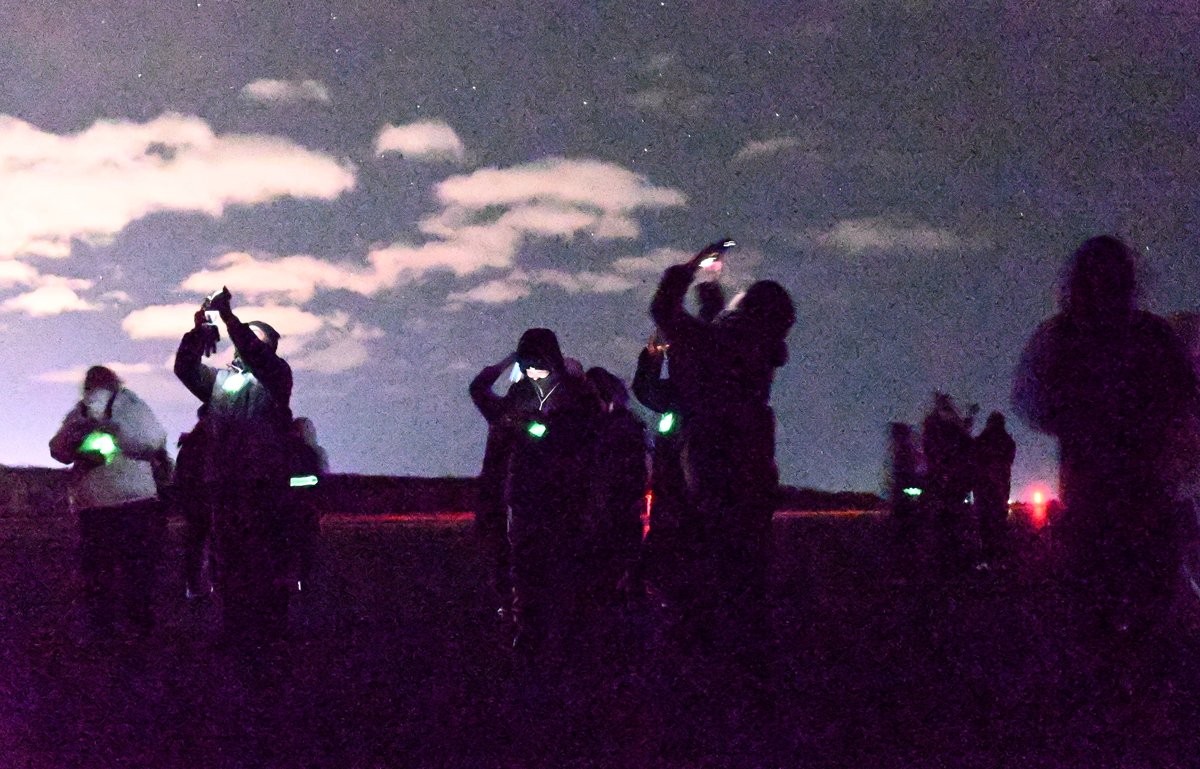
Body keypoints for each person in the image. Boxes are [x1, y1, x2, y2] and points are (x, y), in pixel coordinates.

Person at [1013, 235, 1197, 684]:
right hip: (1141, 483)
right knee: (1142, 585)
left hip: (1094, 484)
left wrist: (1080, 418)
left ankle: (1105, 677)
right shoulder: (1152, 335)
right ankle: (1134, 676)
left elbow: (1031, 402)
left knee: (1098, 589)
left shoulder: (1062, 336)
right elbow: (1186, 397)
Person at [650, 242, 794, 665]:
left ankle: (707, 661)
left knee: (710, 567)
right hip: (754, 469)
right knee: (747, 569)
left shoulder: (719, 343)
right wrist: (712, 296)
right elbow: (720, 337)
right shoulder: (758, 351)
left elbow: (664, 310)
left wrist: (694, 265)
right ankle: (751, 662)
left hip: (713, 468)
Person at [174, 287, 296, 648]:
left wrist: (228, 318)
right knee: (229, 558)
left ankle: (272, 630)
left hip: (263, 481)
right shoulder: (220, 382)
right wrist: (198, 332)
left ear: (269, 346)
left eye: (253, 336)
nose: (241, 342)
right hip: (224, 481)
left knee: (265, 556)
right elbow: (184, 368)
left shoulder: (277, 375)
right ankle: (236, 629)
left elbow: (255, 353)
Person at [472, 329, 598, 656]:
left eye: (535, 361)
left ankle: (564, 639)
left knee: (561, 569)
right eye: (526, 362)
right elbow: (479, 391)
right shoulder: (521, 393)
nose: (531, 368)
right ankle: (529, 633)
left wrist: (537, 429)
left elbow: (584, 438)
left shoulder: (576, 395)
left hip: (563, 499)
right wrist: (509, 361)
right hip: (524, 499)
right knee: (526, 569)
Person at [50, 365, 168, 639]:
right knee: (137, 568)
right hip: (135, 500)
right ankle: (139, 627)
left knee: (98, 571)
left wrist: (81, 443)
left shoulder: (79, 412)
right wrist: (115, 432)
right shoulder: (131, 404)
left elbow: (57, 449)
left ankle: (102, 628)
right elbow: (152, 440)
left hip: (94, 504)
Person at [583, 367, 648, 605]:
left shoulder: (613, 429)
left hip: (612, 513)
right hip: (617, 513)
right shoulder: (623, 425)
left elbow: (620, 474)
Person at [469, 354, 521, 622]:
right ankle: (510, 603)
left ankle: (508, 603)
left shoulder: (499, 413)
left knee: (502, 551)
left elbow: (478, 387)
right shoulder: (516, 415)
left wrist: (506, 362)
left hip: (500, 494)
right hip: (507, 495)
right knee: (505, 551)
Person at [175, 406, 214, 600]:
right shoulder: (208, 442)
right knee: (205, 543)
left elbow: (181, 475)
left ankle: (196, 586)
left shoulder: (191, 443)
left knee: (197, 544)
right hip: (205, 499)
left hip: (197, 500)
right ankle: (201, 585)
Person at [971, 412, 1016, 567]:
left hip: (984, 489)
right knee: (998, 523)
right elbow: (1008, 461)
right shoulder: (1007, 442)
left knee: (984, 523)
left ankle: (986, 558)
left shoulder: (981, 441)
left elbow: (974, 458)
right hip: (1000, 489)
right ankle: (999, 559)